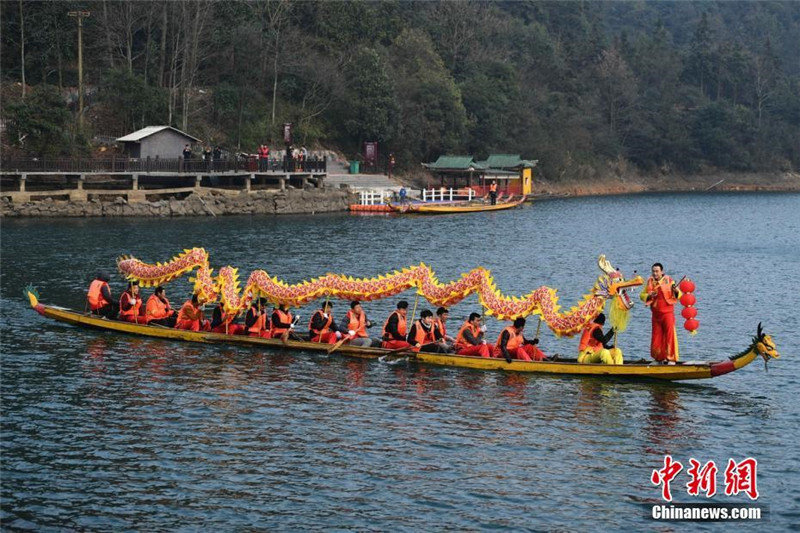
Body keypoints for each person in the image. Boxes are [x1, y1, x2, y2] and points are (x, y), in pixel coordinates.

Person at [640, 262, 681, 363]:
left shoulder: (669, 280)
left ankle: (671, 359)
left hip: (667, 314)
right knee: (656, 337)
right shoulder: (649, 281)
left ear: (661, 271)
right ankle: (659, 358)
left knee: (669, 336)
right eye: (653, 271)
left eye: (657, 271)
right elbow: (642, 295)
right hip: (655, 314)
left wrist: (675, 291)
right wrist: (649, 295)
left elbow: (679, 294)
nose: (655, 273)